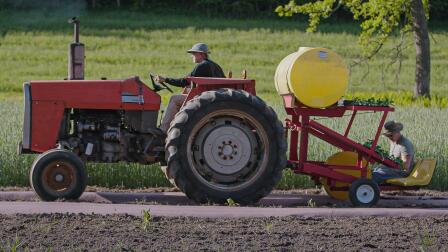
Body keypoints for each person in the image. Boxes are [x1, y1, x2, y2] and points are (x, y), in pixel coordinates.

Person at [155, 43, 225, 133]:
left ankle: (163, 130)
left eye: (194, 54)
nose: (192, 56)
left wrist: (166, 80)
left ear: (202, 54)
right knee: (182, 95)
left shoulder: (202, 66)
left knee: (174, 99)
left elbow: (184, 82)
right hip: (211, 97)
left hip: (205, 99)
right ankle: (172, 128)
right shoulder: (214, 65)